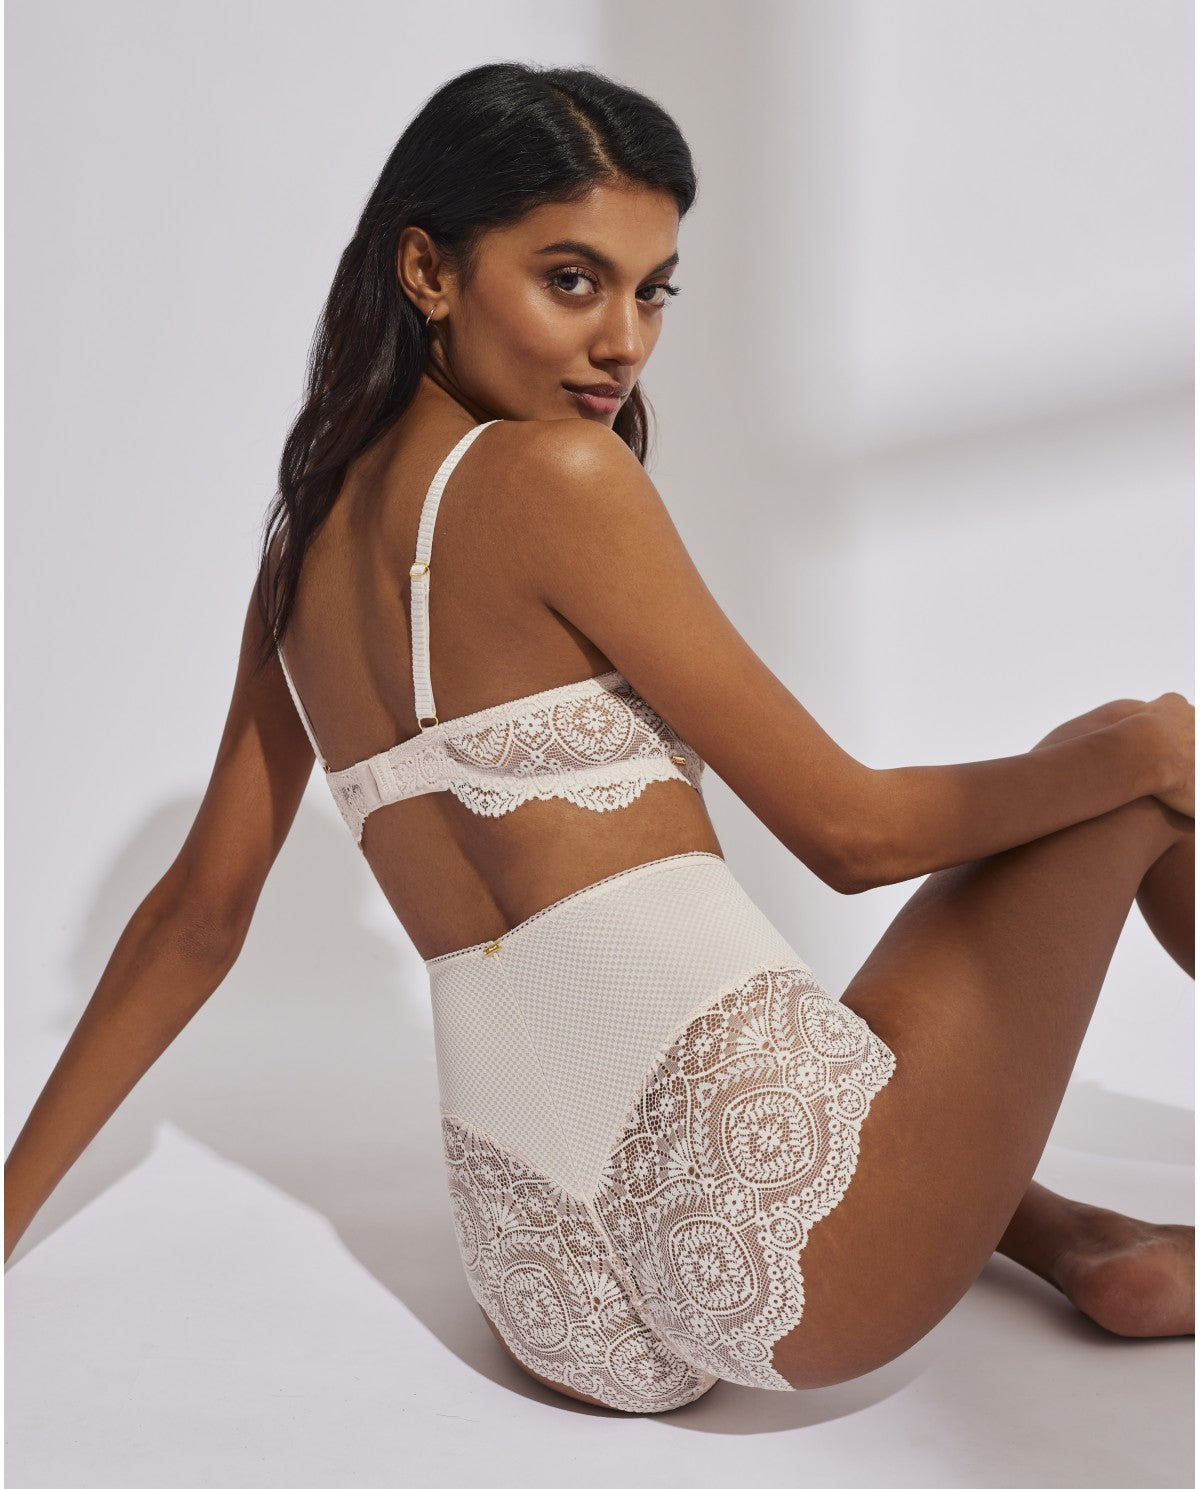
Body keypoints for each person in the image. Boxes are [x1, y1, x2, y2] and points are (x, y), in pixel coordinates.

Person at [5, 60, 1194, 1415]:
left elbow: (196, 923)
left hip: (550, 1292)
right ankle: (1067, 1199)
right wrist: (1152, 755)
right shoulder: (560, 476)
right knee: (1123, 749)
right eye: (572, 281)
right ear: (428, 269)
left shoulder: (302, 550)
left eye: (653, 291)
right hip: (786, 1254)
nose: (624, 341)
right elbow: (851, 834)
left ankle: (1076, 1237)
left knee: (829, 1044)